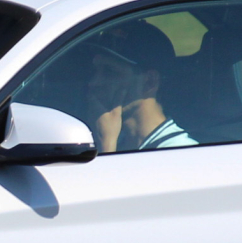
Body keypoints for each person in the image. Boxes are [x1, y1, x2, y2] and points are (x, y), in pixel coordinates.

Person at [82, 19, 195, 152]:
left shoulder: (179, 152)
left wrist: (106, 145)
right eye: (94, 71)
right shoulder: (119, 138)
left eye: (110, 72)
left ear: (150, 82)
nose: (94, 82)